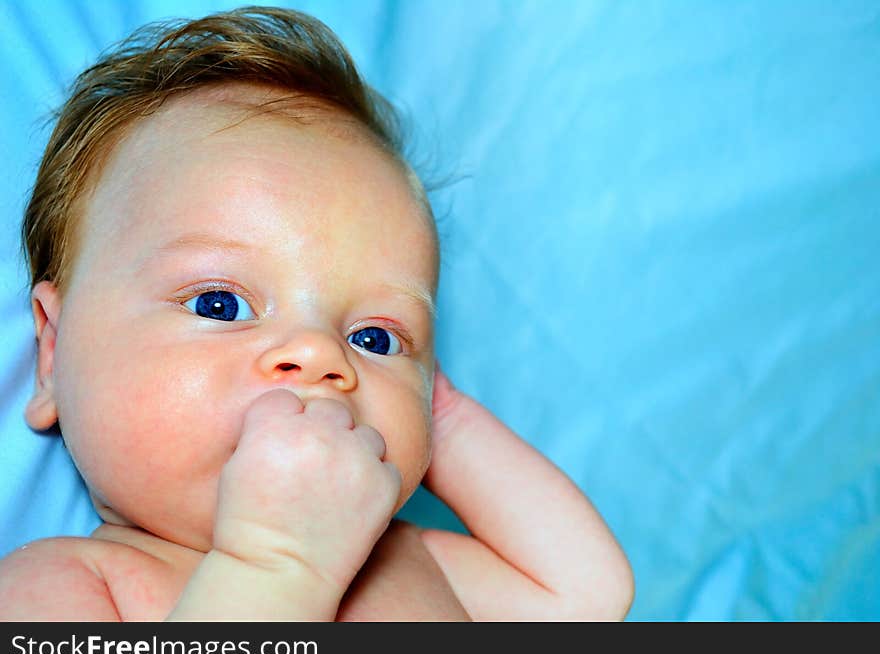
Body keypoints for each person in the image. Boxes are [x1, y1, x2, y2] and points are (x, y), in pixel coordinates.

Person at [0, 6, 633, 621]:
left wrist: (440, 414)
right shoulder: (65, 586)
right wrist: (279, 571)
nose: (319, 356)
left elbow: (583, 595)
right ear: (52, 354)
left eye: (374, 338)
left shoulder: (406, 561)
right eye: (220, 304)